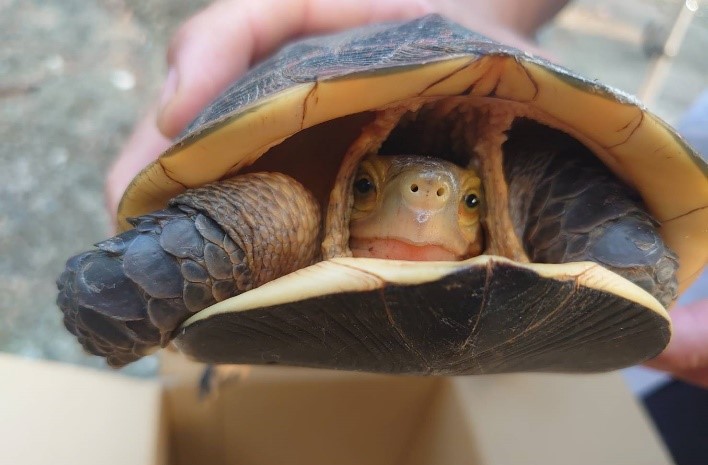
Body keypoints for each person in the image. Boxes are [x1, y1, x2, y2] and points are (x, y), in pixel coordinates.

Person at [105, 0, 707, 387]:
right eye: (366, 188)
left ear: (493, 207)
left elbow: (635, 263)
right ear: (341, 192)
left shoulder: (532, 191)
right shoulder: (286, 206)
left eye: (469, 202)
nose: (424, 203)